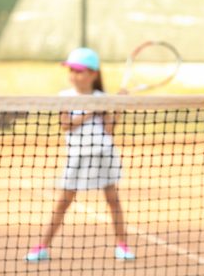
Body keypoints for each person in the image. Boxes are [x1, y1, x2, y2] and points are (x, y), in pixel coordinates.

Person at [25, 47, 135, 261]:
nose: (74, 76)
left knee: (113, 200)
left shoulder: (102, 97)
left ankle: (122, 245)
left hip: (103, 154)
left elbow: (109, 129)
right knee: (63, 202)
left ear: (93, 74)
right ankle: (42, 246)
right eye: (71, 70)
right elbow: (66, 125)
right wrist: (91, 110)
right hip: (77, 156)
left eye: (79, 71)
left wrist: (118, 107)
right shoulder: (65, 97)